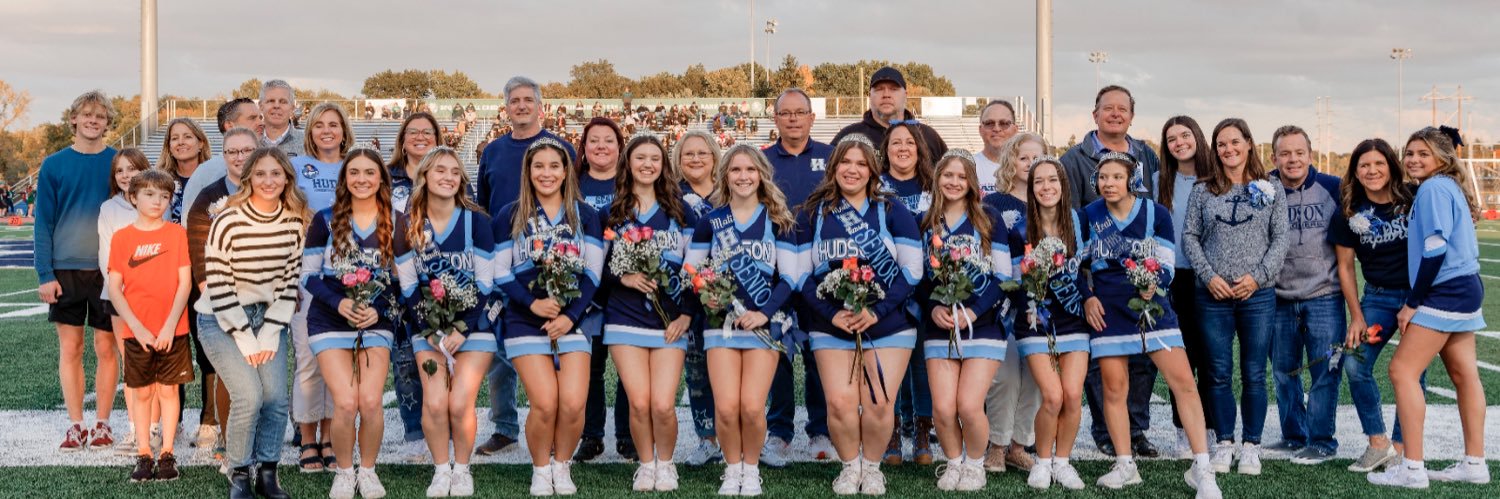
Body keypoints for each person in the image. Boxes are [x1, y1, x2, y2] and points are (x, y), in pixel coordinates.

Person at [1081, 152, 1221, 498]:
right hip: (1108, 310)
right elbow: (1077, 265)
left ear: (1131, 179)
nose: (1109, 183)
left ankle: (1202, 467)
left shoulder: (1155, 213)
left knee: (1184, 383)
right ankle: (1125, 464)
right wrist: (1086, 296)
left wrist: (1153, 282)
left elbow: (1167, 264)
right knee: (1114, 389)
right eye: (1103, 177)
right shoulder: (1088, 215)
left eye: (1116, 177)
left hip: (1153, 306)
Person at [798, 137, 922, 496]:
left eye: (861, 164)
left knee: (880, 403)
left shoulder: (892, 210)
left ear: (872, 171)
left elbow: (912, 270)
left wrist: (877, 310)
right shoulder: (813, 212)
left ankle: (872, 466)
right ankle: (850, 466)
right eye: (845, 162)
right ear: (833, 168)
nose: (852, 170)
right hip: (831, 324)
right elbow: (799, 274)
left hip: (888, 323)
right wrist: (831, 314)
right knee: (839, 403)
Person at [1369, 127, 1490, 488]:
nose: (1413, 160)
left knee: (1402, 371)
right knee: (1464, 374)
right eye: (1409, 153)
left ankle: (1413, 468)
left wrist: (1412, 303)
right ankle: (1475, 463)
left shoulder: (1435, 188)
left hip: (1445, 290)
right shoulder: (1446, 186)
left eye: (1423, 153)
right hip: (1466, 286)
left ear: (1442, 157)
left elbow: (1435, 248)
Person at [684, 144, 802, 496]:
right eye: (736, 170)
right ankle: (731, 468)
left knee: (751, 407)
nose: (743, 176)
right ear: (725, 176)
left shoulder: (778, 220)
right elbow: (692, 270)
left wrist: (763, 313)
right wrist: (709, 294)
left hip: (765, 326)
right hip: (720, 325)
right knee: (725, 407)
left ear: (762, 174)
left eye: (750, 170)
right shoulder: (711, 221)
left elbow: (791, 278)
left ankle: (751, 470)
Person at [492, 138, 603, 496]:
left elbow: (593, 274)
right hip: (526, 320)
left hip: (573, 319)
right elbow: (500, 271)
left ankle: (562, 464)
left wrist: (570, 315)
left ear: (566, 170)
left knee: (572, 404)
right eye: (538, 166)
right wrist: (532, 304)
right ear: (527, 171)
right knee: (544, 403)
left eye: (554, 166)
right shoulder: (510, 214)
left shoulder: (585, 215)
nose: (546, 173)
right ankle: (541, 469)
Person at [197, 146, 308, 499]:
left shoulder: (293, 223)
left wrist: (271, 332)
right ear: (248, 178)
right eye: (260, 173)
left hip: (269, 318)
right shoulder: (228, 219)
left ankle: (268, 474)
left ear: (287, 178)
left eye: (276, 173)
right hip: (221, 317)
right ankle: (240, 473)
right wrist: (245, 336)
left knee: (275, 399)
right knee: (249, 395)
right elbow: (218, 280)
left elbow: (289, 281)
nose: (268, 180)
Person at [1181, 118, 1289, 475]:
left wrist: (1257, 279)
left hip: (1257, 296)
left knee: (1255, 373)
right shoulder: (1203, 190)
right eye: (1221, 144)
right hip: (1212, 295)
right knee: (1217, 373)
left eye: (1234, 142)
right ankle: (1224, 442)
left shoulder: (1271, 188)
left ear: (1248, 144)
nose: (1228, 150)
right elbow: (1190, 237)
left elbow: (1280, 239)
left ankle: (1251, 445)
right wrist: (1209, 277)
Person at [477, 78, 577, 456]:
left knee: (554, 342)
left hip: (556, 262)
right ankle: (504, 427)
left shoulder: (561, 147)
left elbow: (573, 200)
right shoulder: (492, 151)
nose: (520, 106)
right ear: (505, 107)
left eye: (527, 100)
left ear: (540, 106)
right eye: (514, 101)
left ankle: (552, 425)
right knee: (501, 349)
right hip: (507, 261)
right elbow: (484, 208)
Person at [1061, 85, 1162, 457]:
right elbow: (1070, 221)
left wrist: (1151, 275)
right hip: (1098, 278)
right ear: (1095, 115)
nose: (1115, 114)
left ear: (1132, 116)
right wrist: (1084, 288)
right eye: (1108, 108)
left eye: (1123, 109)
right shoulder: (1075, 159)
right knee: (1103, 361)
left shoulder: (1147, 156)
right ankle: (1106, 431)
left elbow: (1155, 214)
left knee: (1142, 357)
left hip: (1141, 281)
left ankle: (1136, 430)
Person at [395, 146, 496, 498]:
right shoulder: (406, 225)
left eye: (455, 172)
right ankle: (441, 470)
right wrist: (435, 331)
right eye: (440, 170)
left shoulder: (477, 221)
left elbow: (487, 283)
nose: (448, 177)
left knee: (459, 403)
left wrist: (460, 328)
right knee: (435, 403)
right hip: (427, 328)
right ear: (423, 176)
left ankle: (463, 469)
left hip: (476, 326)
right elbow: (408, 287)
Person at [603, 134, 698, 491]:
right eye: (640, 157)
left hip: (669, 322)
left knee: (662, 404)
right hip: (625, 318)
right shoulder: (612, 212)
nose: (647, 164)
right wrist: (623, 275)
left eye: (654, 158)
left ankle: (666, 463)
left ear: (663, 165)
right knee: (639, 403)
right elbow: (597, 271)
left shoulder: (681, 210)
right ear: (628, 163)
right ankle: (646, 464)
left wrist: (686, 315)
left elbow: (695, 271)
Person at [302, 148, 399, 498]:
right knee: (345, 402)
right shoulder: (324, 219)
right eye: (354, 172)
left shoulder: (397, 220)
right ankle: (345, 472)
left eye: (369, 173)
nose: (361, 179)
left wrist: (382, 311)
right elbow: (309, 276)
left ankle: (368, 470)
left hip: (375, 319)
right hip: (330, 317)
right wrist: (339, 302)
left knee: (370, 401)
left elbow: (406, 282)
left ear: (381, 179)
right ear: (344, 179)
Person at [919, 149, 1012, 491]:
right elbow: (919, 278)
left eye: (961, 177)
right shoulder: (925, 221)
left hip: (982, 323)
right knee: (943, 409)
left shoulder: (989, 218)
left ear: (972, 182)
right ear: (937, 179)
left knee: (969, 406)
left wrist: (974, 310)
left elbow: (1004, 277)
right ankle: (954, 462)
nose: (954, 182)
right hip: (940, 325)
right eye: (948, 176)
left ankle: (975, 465)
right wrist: (933, 308)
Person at [35, 90, 120, 452]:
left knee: (106, 347)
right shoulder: (54, 164)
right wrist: (44, 274)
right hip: (65, 269)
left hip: (108, 268)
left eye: (100, 116)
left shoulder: (118, 163)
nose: (93, 121)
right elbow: (43, 222)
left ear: (107, 122)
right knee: (71, 348)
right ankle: (75, 424)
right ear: (73, 119)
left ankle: (102, 423)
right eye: (87, 115)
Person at [1330, 138, 1414, 473]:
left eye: (1379, 163)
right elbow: (1346, 267)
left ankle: (1403, 446)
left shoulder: (1414, 198)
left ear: (1391, 165)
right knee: (1355, 363)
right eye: (1364, 165)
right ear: (1356, 171)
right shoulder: (1349, 210)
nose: (1372, 170)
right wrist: (1357, 316)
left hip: (1415, 297)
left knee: (1412, 371)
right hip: (1378, 297)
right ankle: (1378, 444)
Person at [1263, 125, 1346, 465]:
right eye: (1285, 153)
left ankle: (1322, 440)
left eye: (1299, 152)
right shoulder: (1264, 190)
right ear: (1274, 157)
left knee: (1327, 370)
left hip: (1325, 295)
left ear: (1310, 155)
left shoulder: (1333, 187)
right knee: (1284, 371)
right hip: (1279, 297)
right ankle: (1293, 434)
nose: (1292, 159)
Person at [762, 89, 835, 465]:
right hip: (773, 271)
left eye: (800, 113)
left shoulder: (829, 157)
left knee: (817, 351)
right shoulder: (760, 160)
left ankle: (821, 428)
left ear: (811, 117)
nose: (793, 119)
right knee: (779, 353)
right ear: (775, 119)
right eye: (785, 113)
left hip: (819, 270)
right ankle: (779, 432)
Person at [106, 169, 193, 483]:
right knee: (141, 393)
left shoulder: (176, 234)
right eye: (150, 194)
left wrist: (170, 325)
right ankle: (144, 452)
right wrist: (138, 327)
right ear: (133, 197)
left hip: (173, 329)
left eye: (164, 196)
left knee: (169, 391)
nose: (158, 201)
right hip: (137, 331)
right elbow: (115, 288)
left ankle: (167, 451)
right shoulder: (122, 238)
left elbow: (184, 284)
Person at [1012, 156, 1090, 491]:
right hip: (1035, 321)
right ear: (1031, 189)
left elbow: (1083, 273)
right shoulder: (1019, 229)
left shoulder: (1077, 221)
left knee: (1073, 396)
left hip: (1073, 319)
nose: (1047, 187)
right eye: (1039, 181)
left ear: (1063, 185)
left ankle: (1064, 462)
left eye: (1053, 180)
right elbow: (1013, 285)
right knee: (1054, 395)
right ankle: (1043, 462)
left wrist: (1087, 298)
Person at [186, 128, 259, 460]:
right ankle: (231, 448)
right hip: (222, 299)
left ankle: (257, 450)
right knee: (233, 379)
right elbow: (198, 252)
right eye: (232, 151)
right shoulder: (209, 197)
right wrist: (215, 295)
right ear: (223, 155)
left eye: (247, 150)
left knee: (264, 385)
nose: (239, 157)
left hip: (265, 301)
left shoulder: (274, 187)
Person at [290, 102, 354, 471]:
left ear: (344, 130)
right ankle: (308, 438)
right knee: (308, 361)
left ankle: (332, 437)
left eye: (334, 124)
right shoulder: (297, 168)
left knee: (341, 363)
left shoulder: (356, 165)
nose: (327, 131)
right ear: (309, 132)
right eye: (319, 125)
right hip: (310, 274)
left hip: (351, 278)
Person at [980, 132, 1046, 473]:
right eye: (1023, 158)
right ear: (1011, 163)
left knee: (1036, 377)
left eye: (1037, 158)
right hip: (1003, 305)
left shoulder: (1053, 204)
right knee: (1005, 375)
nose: (1030, 164)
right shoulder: (994, 206)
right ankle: (996, 444)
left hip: (1041, 306)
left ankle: (1019, 445)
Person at [571, 117, 636, 463]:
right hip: (587, 291)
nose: (600, 146)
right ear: (584, 147)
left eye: (608, 140)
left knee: (629, 369)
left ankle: (626, 435)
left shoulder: (632, 183)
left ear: (619, 147)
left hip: (627, 291)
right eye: (593, 140)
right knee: (590, 368)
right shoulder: (573, 184)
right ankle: (591, 435)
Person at [876, 121, 935, 465]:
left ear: (919, 148)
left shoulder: (934, 184)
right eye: (895, 142)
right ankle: (892, 429)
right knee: (891, 361)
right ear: (886, 149)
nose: (902, 148)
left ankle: (923, 430)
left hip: (929, 285)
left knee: (921, 364)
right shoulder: (876, 186)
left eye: (909, 142)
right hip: (888, 286)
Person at [1158, 116, 1216, 458]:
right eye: (1171, 138)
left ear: (1197, 136)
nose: (1179, 142)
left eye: (1185, 135)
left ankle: (1208, 429)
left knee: (1210, 358)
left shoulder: (1216, 179)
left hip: (1209, 278)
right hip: (1171, 278)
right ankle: (1182, 430)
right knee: (1181, 360)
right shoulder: (1159, 180)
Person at [672, 130, 723, 466]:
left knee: (734, 372)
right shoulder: (671, 197)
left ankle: (738, 434)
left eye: (702, 153)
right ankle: (707, 439)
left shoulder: (731, 191)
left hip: (728, 299)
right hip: (688, 298)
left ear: (715, 156)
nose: (695, 159)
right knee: (697, 373)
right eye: (688, 153)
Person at [98, 149, 151, 456]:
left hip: (156, 295)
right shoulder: (109, 208)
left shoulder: (157, 199)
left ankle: (156, 427)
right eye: (120, 170)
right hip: (119, 296)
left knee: (156, 363)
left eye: (132, 169)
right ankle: (135, 429)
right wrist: (121, 288)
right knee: (133, 364)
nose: (126, 175)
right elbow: (106, 255)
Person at [830, 67, 947, 159]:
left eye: (893, 89)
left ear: (906, 95)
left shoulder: (928, 136)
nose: (886, 94)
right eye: (879, 89)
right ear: (870, 96)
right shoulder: (848, 136)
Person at [182, 97, 264, 214]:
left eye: (260, 117)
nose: (261, 123)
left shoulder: (269, 164)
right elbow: (189, 220)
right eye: (252, 118)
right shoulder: (205, 172)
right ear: (230, 126)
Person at [158, 118, 211, 224]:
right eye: (174, 138)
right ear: (169, 147)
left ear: (201, 143)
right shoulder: (158, 182)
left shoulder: (214, 178)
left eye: (187, 137)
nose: (181, 142)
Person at [389, 112, 441, 214]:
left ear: (437, 139)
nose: (420, 137)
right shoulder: (384, 176)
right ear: (402, 139)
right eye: (413, 132)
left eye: (427, 132)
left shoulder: (453, 176)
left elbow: (469, 216)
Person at [974, 100, 1020, 195]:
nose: (996, 129)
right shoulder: (968, 167)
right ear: (980, 130)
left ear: (1015, 129)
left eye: (1004, 123)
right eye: (989, 123)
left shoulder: (1027, 168)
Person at [259, 80, 305, 157]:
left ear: (292, 108)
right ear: (261, 106)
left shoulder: (307, 142)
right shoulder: (248, 141)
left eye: (283, 102)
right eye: (271, 101)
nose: (276, 106)